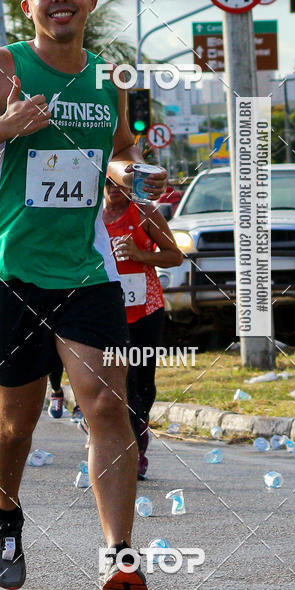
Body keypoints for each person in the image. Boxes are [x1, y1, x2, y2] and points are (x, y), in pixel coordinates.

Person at [0, 0, 167, 590]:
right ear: (27, 6)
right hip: (8, 269)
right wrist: (8, 123)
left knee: (107, 404)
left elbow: (117, 153)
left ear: (89, 0)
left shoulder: (106, 78)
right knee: (17, 423)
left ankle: (119, 559)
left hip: (86, 269)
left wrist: (132, 180)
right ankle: (4, 507)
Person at [103, 175, 183, 479]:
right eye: (108, 184)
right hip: (109, 310)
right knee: (119, 380)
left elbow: (175, 256)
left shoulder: (146, 213)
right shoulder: (92, 216)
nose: (114, 190)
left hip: (146, 309)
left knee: (143, 382)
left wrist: (140, 256)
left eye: (120, 184)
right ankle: (125, 447)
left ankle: (138, 438)